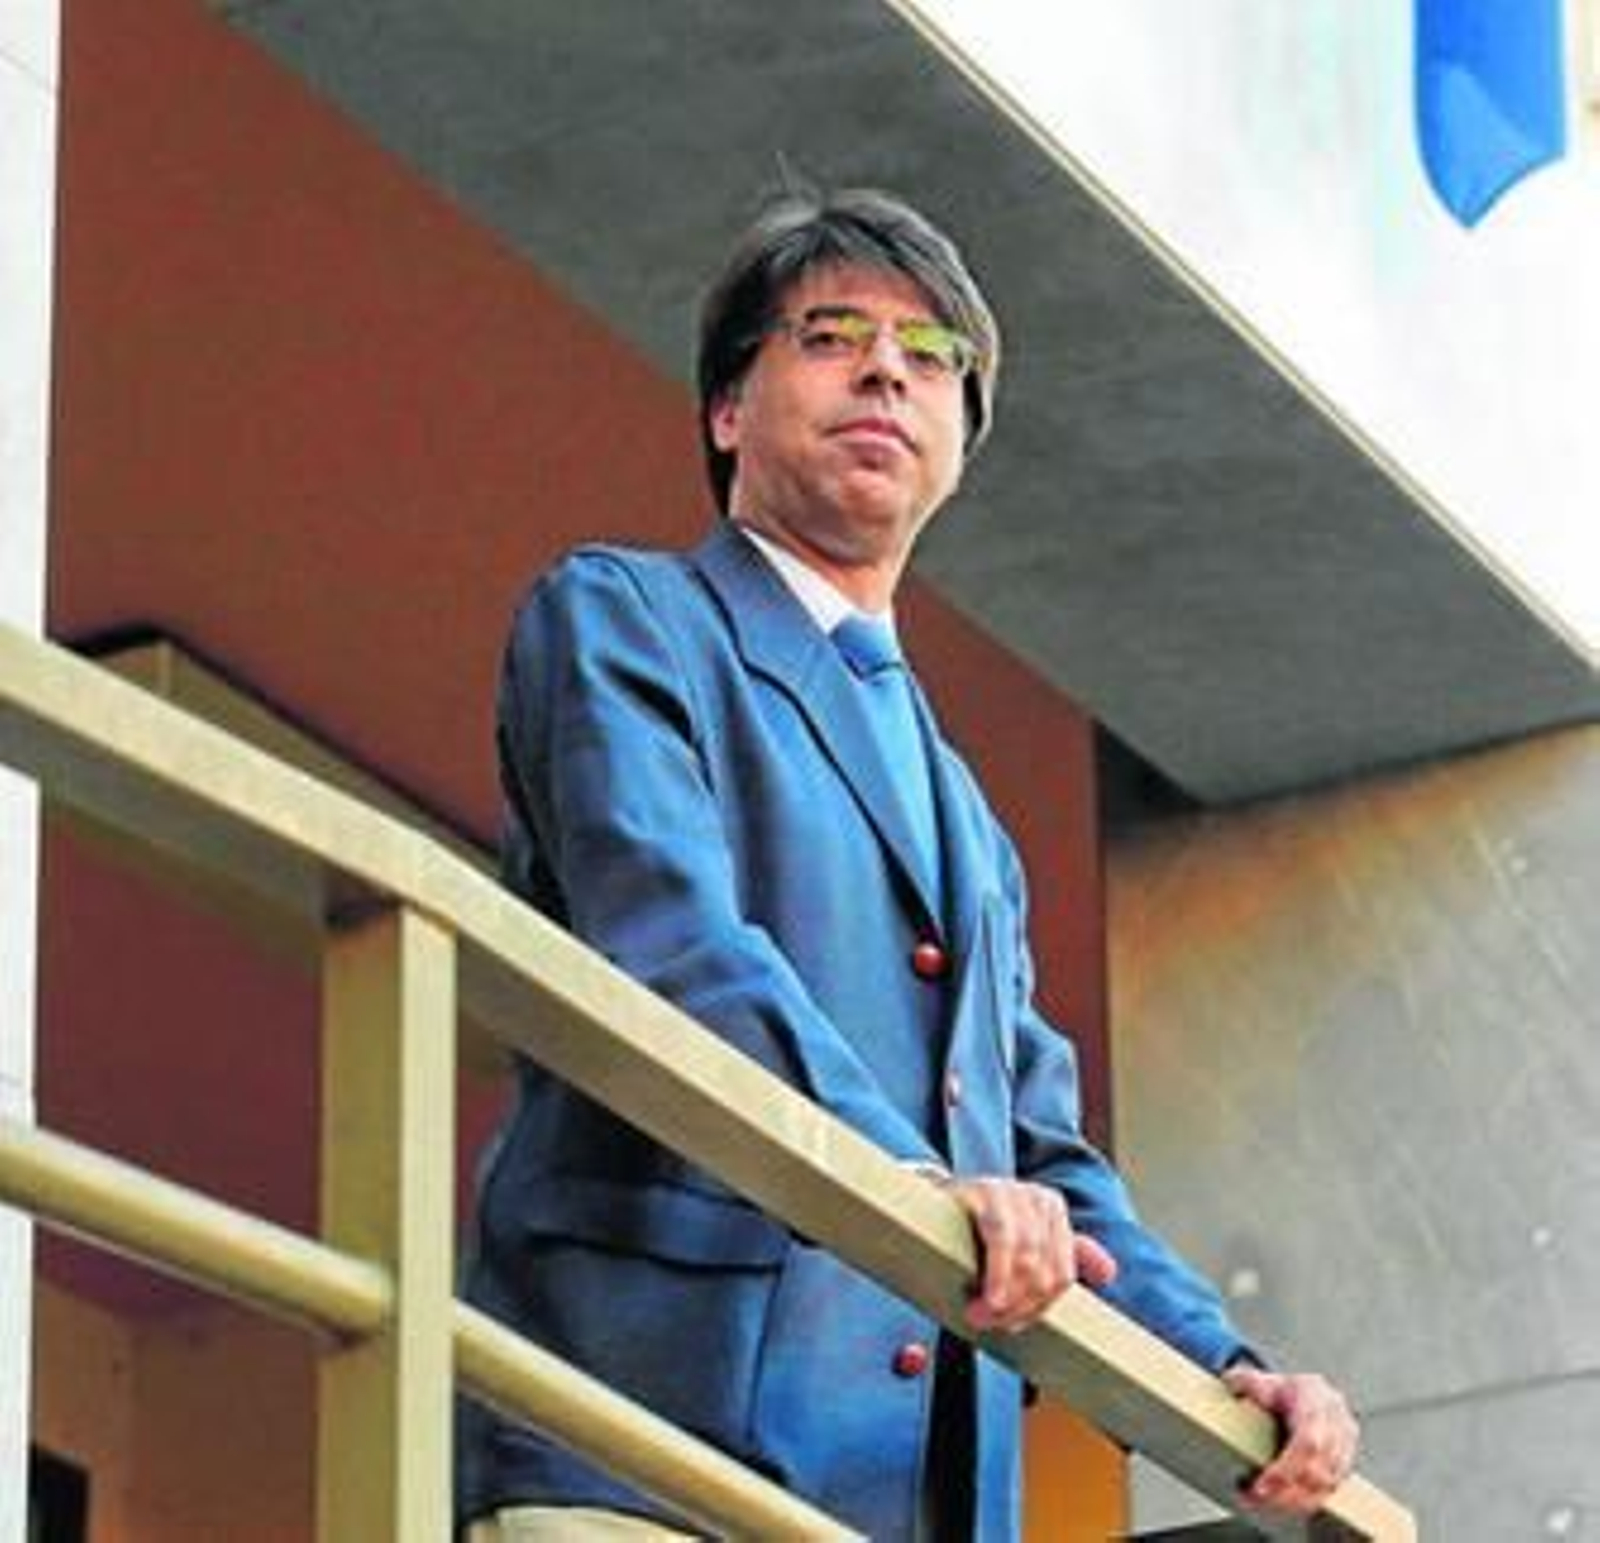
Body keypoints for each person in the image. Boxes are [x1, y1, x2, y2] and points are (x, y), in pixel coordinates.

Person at [456, 185, 1358, 1541]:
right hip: (645, 1453)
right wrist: (922, 1191)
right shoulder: (627, 621)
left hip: (910, 1500)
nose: (888, 368)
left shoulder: (969, 824)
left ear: (959, 442)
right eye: (829, 333)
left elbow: (1046, 1157)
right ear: (724, 410)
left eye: (933, 356)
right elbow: (676, 952)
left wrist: (1226, 1369)